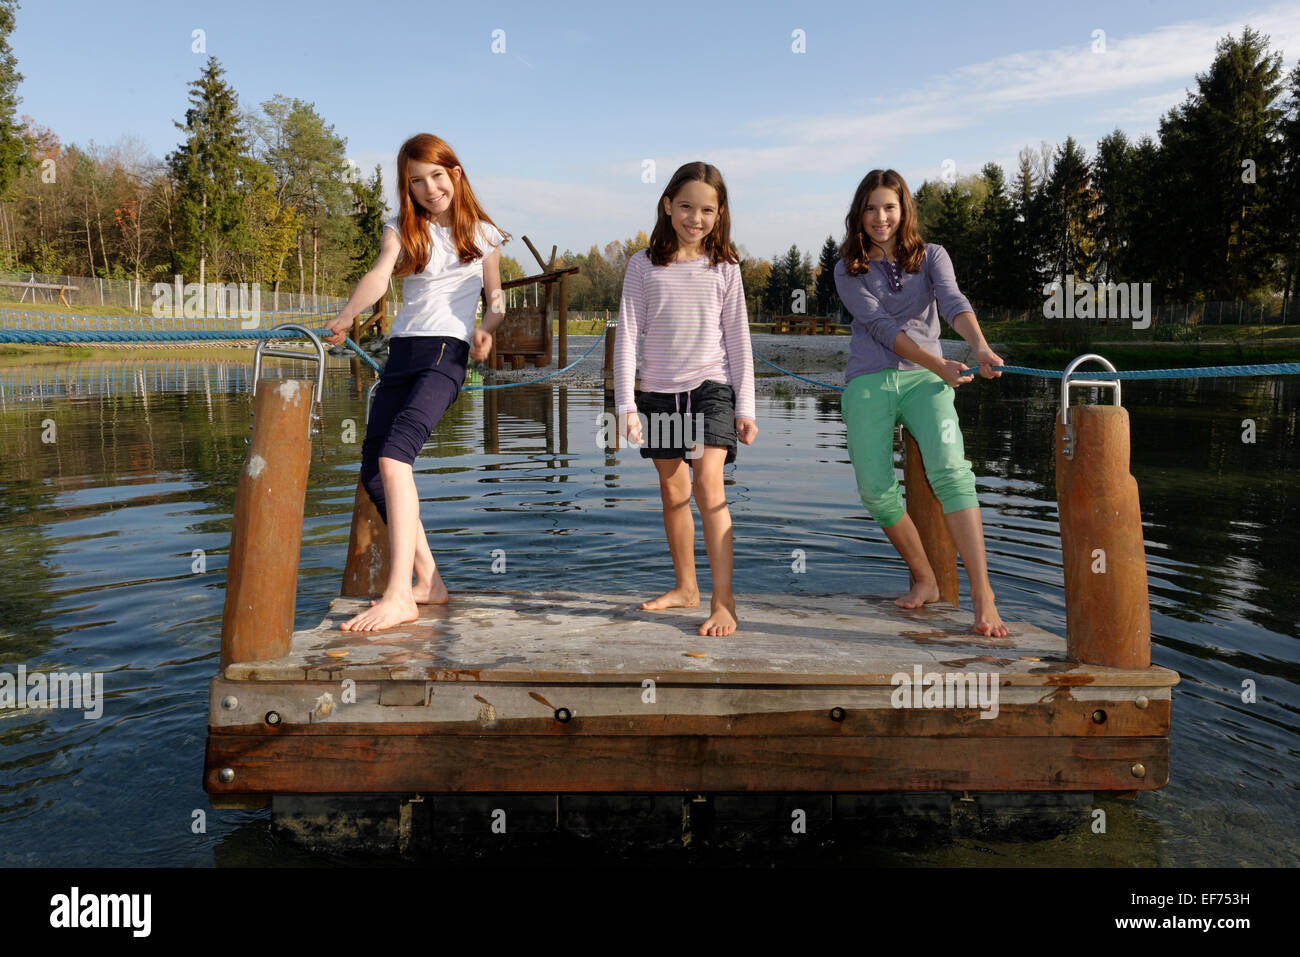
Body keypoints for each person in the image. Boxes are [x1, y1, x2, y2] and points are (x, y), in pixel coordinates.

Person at [323, 133, 507, 632]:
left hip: (446, 353)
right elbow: (381, 276)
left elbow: (495, 299)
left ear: (456, 174)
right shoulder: (403, 229)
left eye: (437, 176)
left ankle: (398, 594)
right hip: (403, 353)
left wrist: (486, 331)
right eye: (416, 181)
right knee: (375, 471)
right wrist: (345, 316)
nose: (429, 188)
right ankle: (430, 583)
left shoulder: (485, 233)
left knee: (395, 455)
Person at [832, 168, 1008, 638]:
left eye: (889, 206)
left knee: (952, 473)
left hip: (925, 383)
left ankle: (983, 597)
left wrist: (980, 347)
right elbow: (882, 329)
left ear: (904, 209)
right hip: (869, 379)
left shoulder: (933, 256)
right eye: (870, 208)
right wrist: (938, 364)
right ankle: (926, 577)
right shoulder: (847, 267)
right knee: (874, 488)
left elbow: (952, 302)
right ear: (859, 214)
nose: (880, 217)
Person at [614, 161, 757, 637]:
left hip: (710, 389)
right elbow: (628, 335)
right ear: (668, 206)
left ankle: (723, 600)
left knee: (708, 487)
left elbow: (738, 340)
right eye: (687, 207)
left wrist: (746, 408)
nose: (696, 218)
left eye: (708, 210)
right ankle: (686, 588)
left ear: (720, 214)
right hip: (657, 392)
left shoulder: (725, 267)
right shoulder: (642, 265)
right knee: (674, 493)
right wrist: (626, 406)